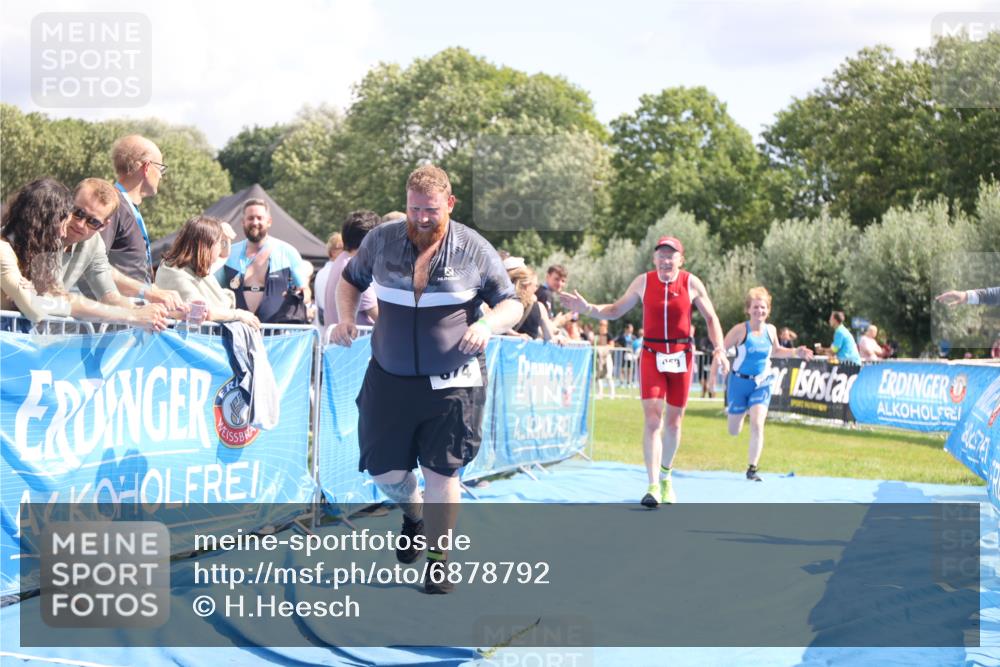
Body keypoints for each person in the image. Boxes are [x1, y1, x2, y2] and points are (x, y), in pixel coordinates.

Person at [330, 165, 522, 594]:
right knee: (384, 471)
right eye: (414, 208)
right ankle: (413, 514)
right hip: (389, 377)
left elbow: (511, 303)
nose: (421, 218)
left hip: (454, 380)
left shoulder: (472, 248)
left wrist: (488, 325)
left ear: (449, 204)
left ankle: (439, 561)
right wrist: (345, 318)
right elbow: (349, 280)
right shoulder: (381, 240)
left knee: (442, 472)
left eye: (430, 210)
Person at [560, 235, 729, 507]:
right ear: (654, 259)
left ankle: (666, 476)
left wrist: (719, 348)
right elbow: (615, 310)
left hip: (681, 356)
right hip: (651, 354)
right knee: (653, 420)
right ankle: (652, 486)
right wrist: (588, 308)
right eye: (661, 254)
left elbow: (711, 318)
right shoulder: (643, 281)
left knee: (674, 422)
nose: (665, 259)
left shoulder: (691, 282)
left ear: (680, 260)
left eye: (671, 255)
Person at [722, 287, 813, 482]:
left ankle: (752, 469)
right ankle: (741, 410)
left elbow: (776, 351)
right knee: (733, 430)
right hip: (739, 382)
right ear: (748, 309)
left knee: (757, 423)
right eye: (755, 307)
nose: (759, 311)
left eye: (763, 308)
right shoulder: (740, 330)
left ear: (768, 310)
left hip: (762, 382)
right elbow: (721, 349)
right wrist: (718, 368)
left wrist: (796, 351)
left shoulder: (771, 330)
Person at [154, 215, 261, 328]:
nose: (221, 247)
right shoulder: (174, 272)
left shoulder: (196, 268)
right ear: (206, 245)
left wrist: (226, 237)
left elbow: (224, 255)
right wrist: (238, 314)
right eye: (220, 243)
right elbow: (202, 311)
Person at [221, 198, 311, 324]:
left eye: (259, 218)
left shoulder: (288, 252)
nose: (255, 222)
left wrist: (299, 295)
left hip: (275, 335)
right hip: (236, 334)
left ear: (269, 221)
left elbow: (305, 290)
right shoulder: (229, 253)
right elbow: (214, 288)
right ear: (243, 222)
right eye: (250, 218)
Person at [1, 179, 74, 323]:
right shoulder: (2, 250)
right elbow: (35, 311)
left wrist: (37, 294)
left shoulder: (31, 251)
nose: (64, 234)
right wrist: (39, 297)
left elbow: (59, 295)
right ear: (46, 222)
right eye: (63, 224)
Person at [103, 134, 165, 284]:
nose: (161, 177)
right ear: (147, 167)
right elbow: (94, 267)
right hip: (117, 307)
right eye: (161, 169)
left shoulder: (126, 206)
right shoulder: (112, 206)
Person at [323, 211, 381, 328]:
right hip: (357, 344)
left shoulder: (341, 259)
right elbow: (380, 317)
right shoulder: (355, 268)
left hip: (341, 343)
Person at [506, 261, 559, 341]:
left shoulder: (503, 303)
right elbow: (549, 337)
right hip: (529, 352)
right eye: (535, 285)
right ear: (527, 286)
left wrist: (514, 335)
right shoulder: (539, 307)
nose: (536, 289)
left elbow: (496, 325)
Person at [313, 232, 344, 325]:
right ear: (333, 252)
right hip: (334, 326)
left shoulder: (323, 271)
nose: (347, 251)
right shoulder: (332, 272)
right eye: (344, 248)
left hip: (327, 326)